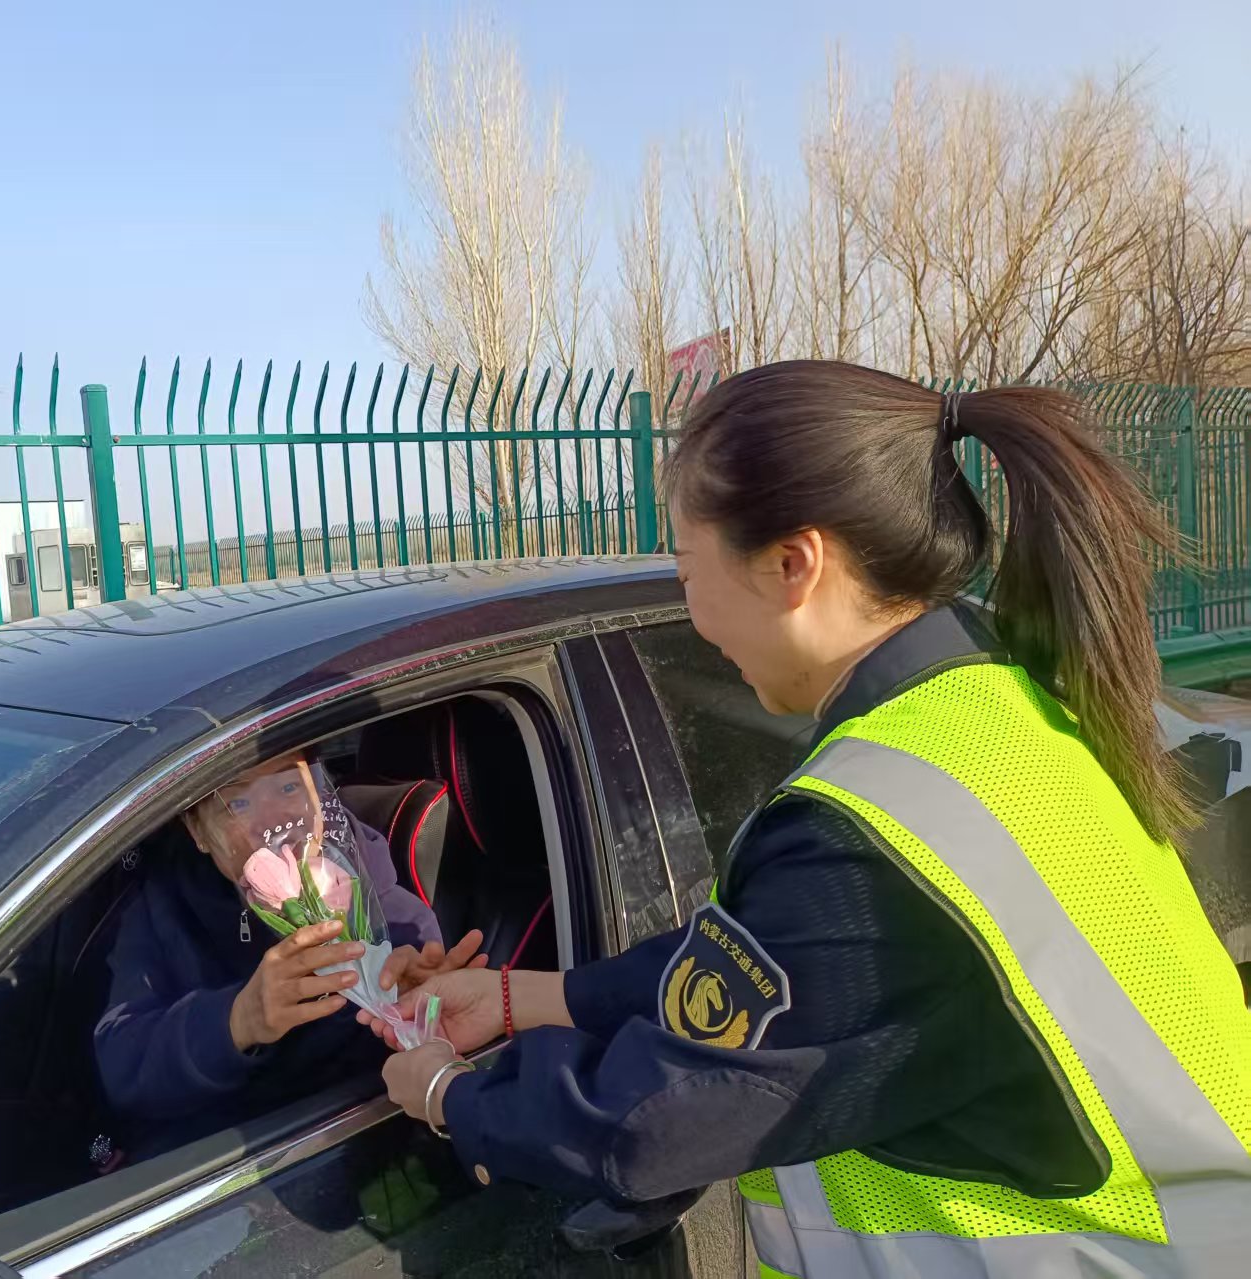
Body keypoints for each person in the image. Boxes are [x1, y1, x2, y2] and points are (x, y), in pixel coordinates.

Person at [367, 362, 1251, 1275]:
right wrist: (525, 997)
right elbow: (763, 968)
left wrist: (445, 1093)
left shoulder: (868, 843)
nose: (693, 613)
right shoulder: (984, 708)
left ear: (794, 564)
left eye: (685, 567)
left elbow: (648, 1125)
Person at [95, 752, 484, 1160]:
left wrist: (417, 1005)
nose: (272, 821)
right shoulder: (164, 908)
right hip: (240, 1154)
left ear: (317, 795)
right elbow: (124, 1063)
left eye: (288, 787)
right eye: (239, 804)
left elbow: (422, 990)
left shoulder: (365, 880)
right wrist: (238, 1020)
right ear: (199, 832)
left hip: (365, 1126)